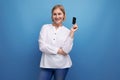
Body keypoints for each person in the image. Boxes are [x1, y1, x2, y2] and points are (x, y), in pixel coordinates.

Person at [38, 4, 78, 80]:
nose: (57, 16)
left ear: (63, 15)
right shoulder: (45, 28)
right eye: (54, 14)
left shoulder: (67, 31)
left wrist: (72, 32)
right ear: (52, 16)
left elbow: (66, 51)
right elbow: (42, 46)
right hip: (46, 64)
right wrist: (59, 50)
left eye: (59, 14)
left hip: (62, 65)